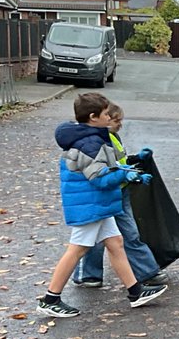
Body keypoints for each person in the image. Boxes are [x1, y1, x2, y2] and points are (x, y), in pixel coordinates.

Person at [38, 93, 168, 318]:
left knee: (116, 243)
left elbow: (108, 168)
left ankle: (136, 292)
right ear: (93, 117)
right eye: (106, 114)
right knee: (77, 249)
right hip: (90, 205)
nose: (110, 117)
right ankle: (51, 298)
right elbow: (100, 178)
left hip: (97, 203)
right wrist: (129, 175)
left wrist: (128, 170)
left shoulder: (92, 138)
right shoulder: (90, 143)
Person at [71, 103, 167, 289]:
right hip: (102, 194)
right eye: (116, 120)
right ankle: (88, 275)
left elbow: (117, 163)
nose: (119, 124)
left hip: (118, 191)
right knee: (94, 239)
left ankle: (146, 273)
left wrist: (136, 160)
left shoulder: (113, 138)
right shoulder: (94, 142)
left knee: (128, 234)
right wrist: (128, 175)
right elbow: (101, 172)